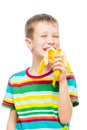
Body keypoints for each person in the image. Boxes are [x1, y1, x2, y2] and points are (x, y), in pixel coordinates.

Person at [2, 13, 79, 130]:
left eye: (55, 36)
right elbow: (11, 122)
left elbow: (65, 119)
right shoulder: (15, 81)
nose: (51, 41)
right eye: (44, 36)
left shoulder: (66, 75)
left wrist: (62, 82)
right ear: (29, 43)